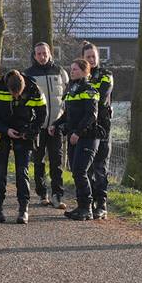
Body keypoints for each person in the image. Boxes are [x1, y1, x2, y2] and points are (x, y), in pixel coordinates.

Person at [0, 70, 47, 224]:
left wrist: (30, 132)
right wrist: (6, 130)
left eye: (19, 95)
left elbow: (42, 115)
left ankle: (23, 209)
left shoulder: (34, 89)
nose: (16, 98)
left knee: (22, 172)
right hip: (2, 132)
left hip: (23, 133)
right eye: (13, 95)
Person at [51, 58, 100, 220]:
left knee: (80, 171)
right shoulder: (72, 89)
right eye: (71, 69)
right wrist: (56, 124)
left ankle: (87, 208)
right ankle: (81, 206)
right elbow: (67, 115)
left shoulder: (89, 89)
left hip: (87, 137)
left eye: (76, 69)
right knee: (76, 172)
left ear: (86, 71)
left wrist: (78, 133)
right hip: (73, 137)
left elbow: (91, 115)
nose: (72, 71)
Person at [24, 42, 68, 209]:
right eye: (39, 54)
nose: (42, 56)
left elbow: (67, 97)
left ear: (50, 54)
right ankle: (43, 193)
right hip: (38, 126)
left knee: (56, 161)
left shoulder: (60, 72)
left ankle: (58, 195)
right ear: (34, 56)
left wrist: (62, 121)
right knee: (38, 161)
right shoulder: (28, 75)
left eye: (45, 53)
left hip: (56, 125)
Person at [81, 42, 113, 220]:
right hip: (85, 128)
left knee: (100, 165)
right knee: (86, 167)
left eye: (94, 56)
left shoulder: (106, 75)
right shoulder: (79, 78)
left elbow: (101, 97)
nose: (92, 60)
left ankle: (102, 204)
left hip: (101, 127)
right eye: (88, 57)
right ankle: (88, 201)